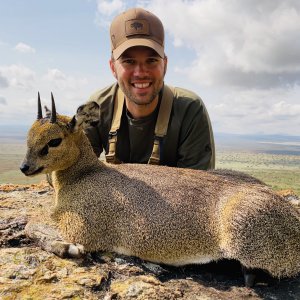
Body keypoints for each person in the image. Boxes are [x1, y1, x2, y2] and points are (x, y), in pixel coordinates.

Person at [84, 7, 215, 170]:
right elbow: (68, 170)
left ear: (165, 65)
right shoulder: (94, 108)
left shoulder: (190, 109)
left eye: (151, 60)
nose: (140, 72)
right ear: (112, 68)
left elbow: (199, 188)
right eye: (129, 61)